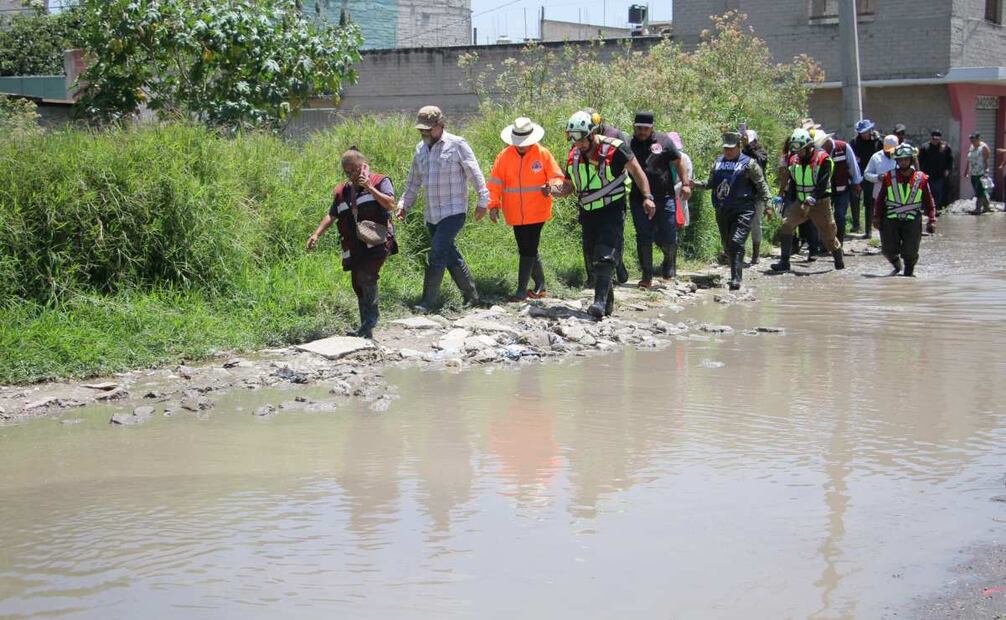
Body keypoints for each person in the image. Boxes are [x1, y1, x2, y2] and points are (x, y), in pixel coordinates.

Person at [553, 111, 656, 319]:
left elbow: (637, 172)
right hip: (588, 212)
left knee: (605, 255)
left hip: (612, 208)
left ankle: (598, 303)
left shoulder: (615, 149)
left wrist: (647, 196)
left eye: (580, 139)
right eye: (573, 139)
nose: (577, 143)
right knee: (593, 258)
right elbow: (569, 187)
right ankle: (607, 304)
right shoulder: (573, 155)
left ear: (591, 134)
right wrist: (552, 191)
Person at [398, 105, 490, 312]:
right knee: (449, 254)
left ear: (440, 126)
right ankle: (472, 296)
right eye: (421, 130)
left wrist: (483, 201)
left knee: (437, 253)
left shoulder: (457, 144)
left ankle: (427, 303)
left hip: (454, 211)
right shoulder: (420, 149)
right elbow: (413, 182)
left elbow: (474, 173)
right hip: (432, 215)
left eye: (428, 130)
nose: (424, 133)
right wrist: (404, 204)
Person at [307, 148, 398, 339]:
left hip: (378, 242)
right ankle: (366, 330)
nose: (352, 175)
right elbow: (332, 215)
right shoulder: (343, 191)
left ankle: (371, 320)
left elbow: (390, 204)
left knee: (367, 276)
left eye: (354, 170)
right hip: (353, 245)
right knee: (357, 283)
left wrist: (370, 188)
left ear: (363, 165)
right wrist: (316, 234)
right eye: (347, 172)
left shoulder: (380, 181)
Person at [486, 117, 565, 301]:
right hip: (514, 212)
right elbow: (495, 183)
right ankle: (541, 286)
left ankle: (521, 290)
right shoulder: (504, 156)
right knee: (527, 247)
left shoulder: (543, 154)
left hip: (537, 210)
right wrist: (493, 205)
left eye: (525, 142)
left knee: (527, 249)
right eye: (518, 142)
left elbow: (556, 177)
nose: (521, 146)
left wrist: (551, 187)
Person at [698, 132, 772, 290]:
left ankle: (736, 279)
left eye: (731, 148)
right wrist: (694, 184)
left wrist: (768, 204)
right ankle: (734, 271)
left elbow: (761, 184)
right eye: (725, 148)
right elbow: (710, 183)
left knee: (736, 241)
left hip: (744, 209)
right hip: (722, 209)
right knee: (727, 244)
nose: (728, 151)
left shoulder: (749, 163)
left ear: (739, 147)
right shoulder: (718, 162)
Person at [628, 111, 691, 287]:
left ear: (652, 128)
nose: (642, 132)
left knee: (669, 236)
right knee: (643, 236)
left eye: (645, 129)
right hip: (638, 199)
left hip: (665, 197)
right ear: (634, 127)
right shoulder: (629, 143)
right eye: (639, 128)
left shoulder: (664, 141)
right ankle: (647, 276)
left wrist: (685, 184)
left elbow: (679, 161)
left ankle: (669, 266)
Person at [771, 128, 845, 272]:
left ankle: (838, 259)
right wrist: (785, 197)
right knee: (786, 225)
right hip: (800, 201)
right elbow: (793, 181)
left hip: (820, 203)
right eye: (795, 150)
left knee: (828, 236)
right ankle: (784, 262)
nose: (798, 153)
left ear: (808, 146)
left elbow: (822, 184)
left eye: (801, 150)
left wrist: (811, 199)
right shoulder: (793, 160)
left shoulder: (824, 160)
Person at [581, 107, 631, 284]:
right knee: (589, 239)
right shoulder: (581, 139)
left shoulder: (617, 136)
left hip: (614, 196)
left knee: (614, 237)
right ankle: (592, 277)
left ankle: (617, 267)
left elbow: (631, 165)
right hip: (588, 196)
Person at [873, 143, 937, 277]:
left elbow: (929, 201)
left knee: (910, 252)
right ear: (896, 161)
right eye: (900, 160)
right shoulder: (888, 177)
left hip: (912, 220)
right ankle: (897, 266)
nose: (903, 162)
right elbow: (880, 200)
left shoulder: (921, 179)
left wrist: (932, 219)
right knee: (888, 250)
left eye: (906, 159)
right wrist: (877, 217)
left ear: (911, 160)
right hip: (890, 220)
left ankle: (908, 275)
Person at [819, 132, 863, 244]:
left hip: (842, 189)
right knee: (825, 218)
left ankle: (839, 244)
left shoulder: (843, 147)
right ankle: (826, 244)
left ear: (827, 141)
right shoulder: (819, 152)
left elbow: (853, 166)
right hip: (826, 191)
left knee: (840, 215)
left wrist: (856, 183)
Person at [851, 119, 883, 236]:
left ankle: (868, 230)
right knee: (854, 200)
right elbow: (852, 160)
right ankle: (856, 225)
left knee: (869, 202)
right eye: (862, 132)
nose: (864, 134)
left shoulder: (878, 142)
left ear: (870, 130)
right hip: (858, 175)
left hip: (871, 175)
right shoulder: (854, 142)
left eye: (866, 132)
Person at [741, 129, 769, 263]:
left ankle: (756, 254)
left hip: (757, 194)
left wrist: (748, 147)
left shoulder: (761, 152)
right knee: (740, 223)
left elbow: (760, 161)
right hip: (743, 193)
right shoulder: (741, 152)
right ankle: (736, 251)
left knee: (755, 223)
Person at [917, 130, 953, 212]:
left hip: (939, 175)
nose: (935, 141)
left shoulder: (945, 147)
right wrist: (920, 172)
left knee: (938, 193)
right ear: (931, 138)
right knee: (927, 192)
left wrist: (948, 169)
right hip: (927, 174)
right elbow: (919, 160)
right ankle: (926, 209)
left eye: (937, 139)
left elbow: (950, 159)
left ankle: (935, 209)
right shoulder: (924, 147)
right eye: (934, 139)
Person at [863, 134, 900, 212]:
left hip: (898, 196)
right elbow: (866, 174)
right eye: (888, 149)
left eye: (892, 149)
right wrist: (878, 177)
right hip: (879, 197)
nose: (890, 152)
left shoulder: (902, 156)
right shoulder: (876, 157)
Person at [963, 132, 993, 215]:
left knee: (979, 191)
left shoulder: (984, 147)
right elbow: (969, 159)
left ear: (978, 139)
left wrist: (986, 170)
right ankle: (987, 206)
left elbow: (986, 160)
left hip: (981, 172)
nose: (972, 141)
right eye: (971, 140)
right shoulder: (972, 146)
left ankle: (978, 209)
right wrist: (966, 170)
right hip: (973, 173)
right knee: (979, 190)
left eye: (974, 139)